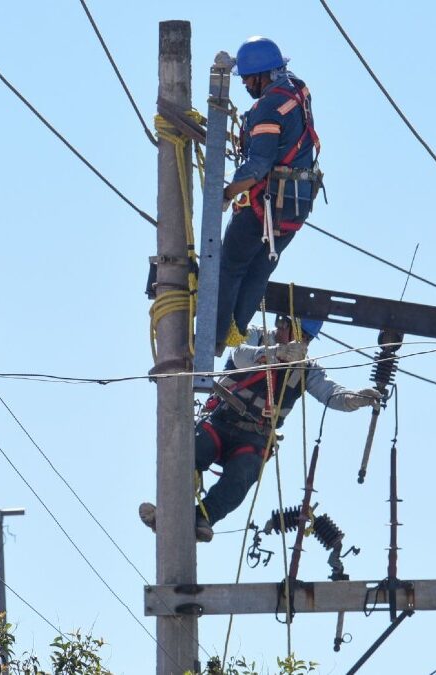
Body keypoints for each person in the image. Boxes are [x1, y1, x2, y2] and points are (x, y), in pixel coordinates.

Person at [142, 316, 379, 542]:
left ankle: (202, 519)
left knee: (243, 474)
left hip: (253, 438)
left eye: (307, 339)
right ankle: (167, 512)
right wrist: (274, 353)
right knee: (193, 450)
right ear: (282, 324)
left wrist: (355, 399)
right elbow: (239, 354)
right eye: (300, 334)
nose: (303, 342)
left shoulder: (306, 369)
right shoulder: (257, 336)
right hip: (221, 420)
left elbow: (332, 394)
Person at [215, 36, 322, 354]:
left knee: (230, 265)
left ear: (262, 74)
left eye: (247, 78)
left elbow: (258, 165)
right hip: (296, 206)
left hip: (266, 203)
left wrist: (227, 193)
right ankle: (230, 334)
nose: (246, 85)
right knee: (259, 270)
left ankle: (214, 334)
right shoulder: (297, 90)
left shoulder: (269, 107)